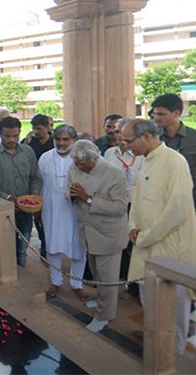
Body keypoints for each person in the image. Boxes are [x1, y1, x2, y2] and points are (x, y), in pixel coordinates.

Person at [123, 119, 196, 354]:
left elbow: (177, 210)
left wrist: (145, 237)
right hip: (144, 245)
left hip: (169, 250)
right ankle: (155, 351)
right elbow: (137, 199)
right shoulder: (146, 162)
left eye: (128, 141)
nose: (126, 147)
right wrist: (132, 226)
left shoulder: (175, 161)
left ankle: (173, 359)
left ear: (145, 137)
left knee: (173, 310)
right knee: (150, 304)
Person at [69, 140, 128, 333]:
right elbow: (70, 188)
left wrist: (88, 198)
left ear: (93, 159)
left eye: (81, 164)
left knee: (108, 279)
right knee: (96, 272)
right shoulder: (75, 166)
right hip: (87, 230)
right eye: (76, 163)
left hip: (108, 234)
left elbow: (120, 208)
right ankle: (100, 300)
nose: (77, 167)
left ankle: (104, 316)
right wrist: (71, 194)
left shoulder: (114, 174)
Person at [0, 117, 43, 267]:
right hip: (3, 211)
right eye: (7, 136)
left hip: (25, 211)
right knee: (4, 248)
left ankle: (20, 275)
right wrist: (7, 198)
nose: (12, 139)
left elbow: (36, 177)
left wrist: (34, 194)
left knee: (22, 249)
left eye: (15, 136)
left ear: (20, 133)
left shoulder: (28, 152)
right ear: (0, 134)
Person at [39, 125, 87, 300]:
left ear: (74, 140)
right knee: (52, 245)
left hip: (75, 210)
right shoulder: (45, 158)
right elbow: (39, 183)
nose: (61, 143)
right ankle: (56, 281)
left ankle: (77, 283)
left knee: (79, 247)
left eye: (66, 139)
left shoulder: (81, 158)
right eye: (58, 139)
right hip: (51, 208)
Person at [103, 117, 143, 296]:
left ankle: (135, 284)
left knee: (134, 245)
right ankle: (120, 279)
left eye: (121, 132)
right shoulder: (110, 154)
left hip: (136, 205)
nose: (117, 135)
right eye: (116, 131)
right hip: (114, 204)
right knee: (118, 243)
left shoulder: (141, 155)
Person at [151, 93, 196, 206]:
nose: (156, 118)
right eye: (155, 114)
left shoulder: (193, 137)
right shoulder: (152, 138)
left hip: (190, 196)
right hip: (160, 197)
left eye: (161, 114)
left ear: (176, 113)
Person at [23, 114, 54, 259]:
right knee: (39, 217)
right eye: (34, 128)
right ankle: (44, 245)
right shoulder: (30, 143)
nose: (36, 131)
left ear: (47, 127)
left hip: (53, 184)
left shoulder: (55, 142)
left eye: (39, 128)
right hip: (36, 186)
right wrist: (26, 144)